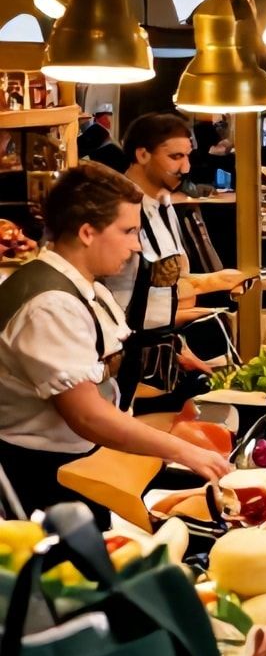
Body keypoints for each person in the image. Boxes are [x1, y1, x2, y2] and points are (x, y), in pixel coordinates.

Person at [0, 163, 232, 519]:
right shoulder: (51, 305)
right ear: (88, 232)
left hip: (81, 462)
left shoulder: (78, 282)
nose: (136, 245)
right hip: (47, 479)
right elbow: (89, 418)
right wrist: (184, 451)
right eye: (127, 231)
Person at [104, 114, 250, 392]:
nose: (186, 167)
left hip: (162, 352)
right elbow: (129, 298)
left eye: (188, 156)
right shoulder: (117, 211)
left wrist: (179, 346)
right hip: (122, 366)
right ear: (142, 154)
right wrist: (217, 281)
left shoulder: (164, 202)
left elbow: (171, 288)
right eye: (175, 157)